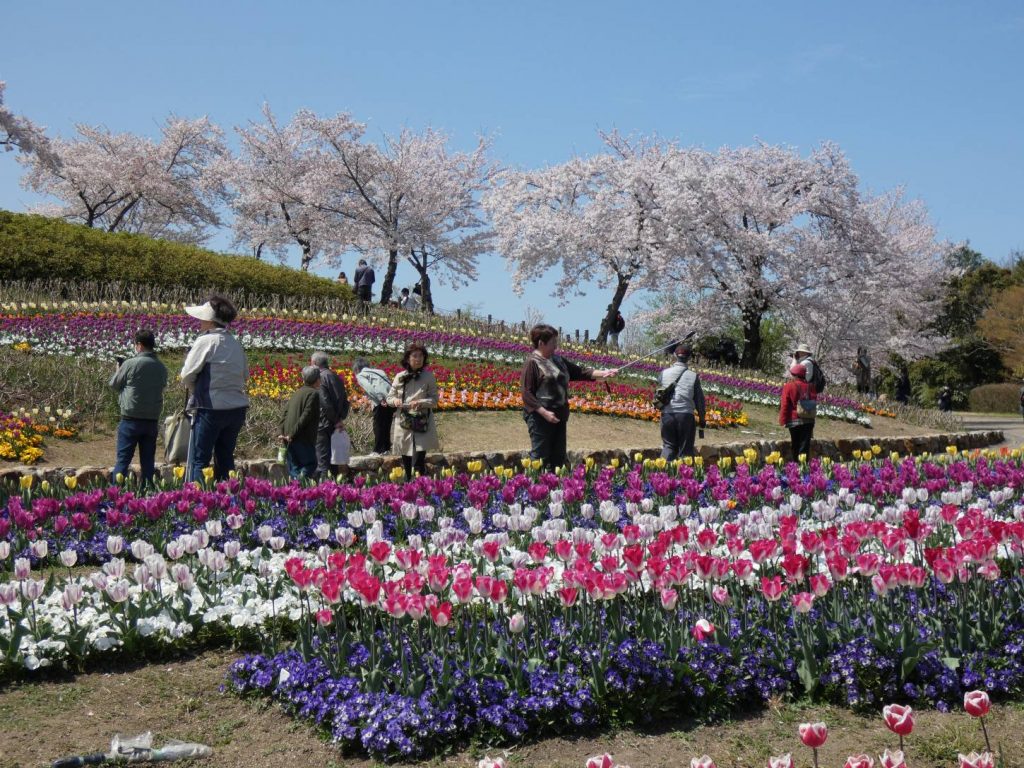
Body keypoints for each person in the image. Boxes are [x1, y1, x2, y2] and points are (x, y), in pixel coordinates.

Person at [520, 323, 617, 470]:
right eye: (553, 343)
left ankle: (554, 489)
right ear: (541, 343)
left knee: (558, 457)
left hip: (560, 415)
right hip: (540, 418)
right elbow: (527, 394)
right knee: (540, 457)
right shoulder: (532, 363)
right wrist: (544, 413)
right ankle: (536, 488)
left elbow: (580, 372)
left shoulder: (558, 360)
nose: (555, 347)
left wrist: (604, 373)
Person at [180, 295, 249, 483]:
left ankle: (200, 502)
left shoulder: (206, 341)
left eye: (202, 318)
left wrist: (196, 391)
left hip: (211, 409)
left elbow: (187, 374)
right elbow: (245, 375)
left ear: (210, 321)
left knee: (200, 459)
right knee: (225, 458)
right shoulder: (235, 343)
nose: (200, 322)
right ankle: (228, 498)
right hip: (236, 408)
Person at [109, 329, 168, 486]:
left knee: (123, 460)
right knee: (148, 462)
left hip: (131, 419)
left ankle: (115, 494)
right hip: (151, 420)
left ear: (139, 345)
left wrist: (118, 369)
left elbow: (114, 384)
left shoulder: (130, 364)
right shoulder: (161, 367)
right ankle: (147, 495)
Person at [385, 343, 439, 478]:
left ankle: (420, 481)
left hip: (422, 419)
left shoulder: (429, 377)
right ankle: (408, 480)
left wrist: (421, 402)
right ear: (408, 358)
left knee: (420, 454)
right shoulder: (400, 376)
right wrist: (395, 401)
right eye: (415, 356)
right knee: (405, 450)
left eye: (421, 356)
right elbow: (389, 398)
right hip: (404, 419)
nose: (418, 359)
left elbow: (434, 400)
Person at [658, 342, 706, 460]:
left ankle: (661, 475)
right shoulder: (693, 376)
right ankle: (685, 476)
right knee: (685, 451)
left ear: (675, 355)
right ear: (689, 358)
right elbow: (699, 400)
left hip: (667, 415)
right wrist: (702, 418)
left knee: (668, 446)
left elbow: (659, 391)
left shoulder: (663, 373)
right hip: (686, 416)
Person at [311, 351, 350, 480]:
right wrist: (340, 419)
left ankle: (324, 491)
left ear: (314, 363)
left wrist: (334, 419)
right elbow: (345, 400)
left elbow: (325, 403)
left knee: (322, 460)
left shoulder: (320, 378)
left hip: (323, 423)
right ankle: (334, 487)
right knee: (333, 461)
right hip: (335, 423)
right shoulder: (336, 377)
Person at [278, 366, 321, 479]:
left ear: (303, 379)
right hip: (301, 438)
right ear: (317, 380)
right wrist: (292, 434)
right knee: (310, 464)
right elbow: (306, 416)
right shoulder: (313, 394)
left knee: (294, 467)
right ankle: (299, 486)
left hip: (288, 437)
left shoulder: (297, 392)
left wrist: (282, 432)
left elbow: (285, 413)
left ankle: (295, 491)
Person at [354, 357, 396, 455]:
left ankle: (378, 450)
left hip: (380, 401)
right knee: (387, 425)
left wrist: (380, 398)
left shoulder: (361, 375)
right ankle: (386, 449)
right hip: (390, 399)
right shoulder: (379, 371)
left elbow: (369, 388)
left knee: (378, 425)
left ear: (356, 369)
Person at [779, 363, 816, 461]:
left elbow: (785, 404)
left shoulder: (789, 386)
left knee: (796, 444)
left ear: (794, 375)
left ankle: (796, 467)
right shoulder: (811, 387)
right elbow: (813, 401)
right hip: (808, 420)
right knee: (805, 445)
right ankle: (804, 467)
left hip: (794, 419)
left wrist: (783, 420)